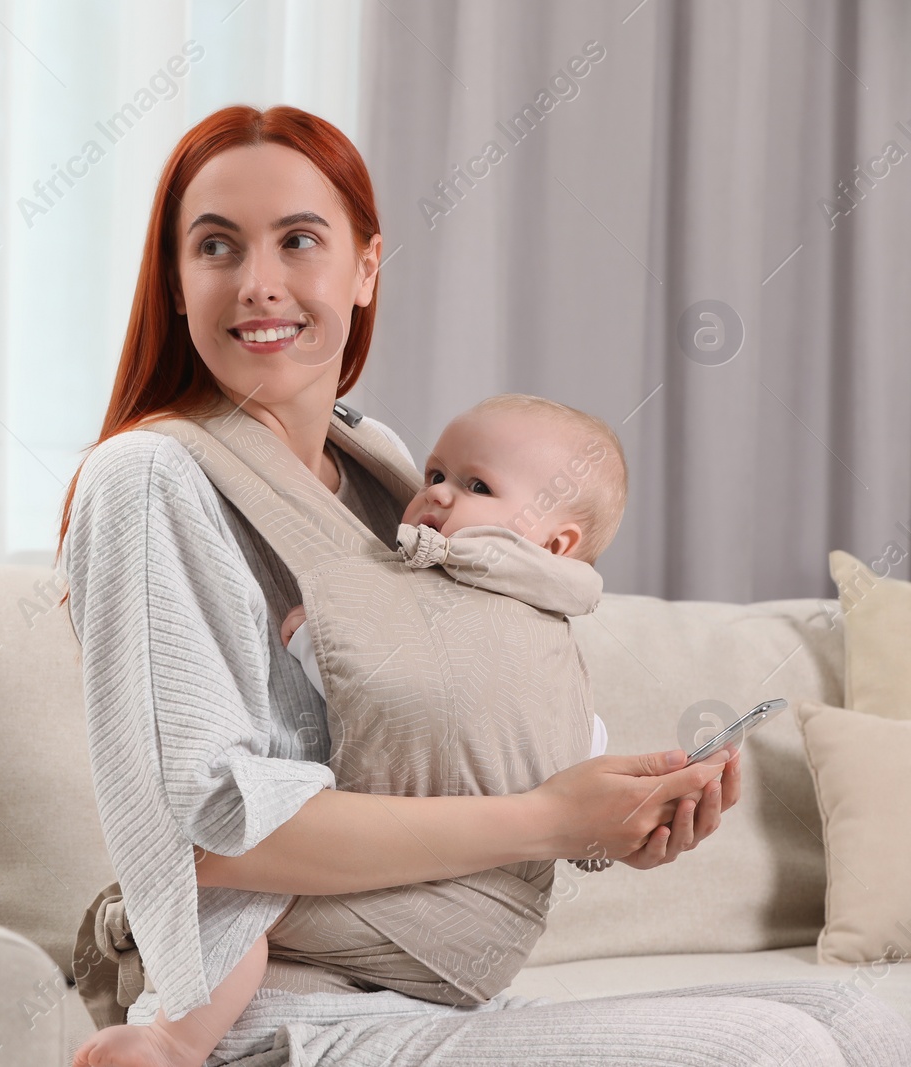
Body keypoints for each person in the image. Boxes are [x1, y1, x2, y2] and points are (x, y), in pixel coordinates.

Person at [56, 103, 911, 1067]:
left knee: (866, 1023)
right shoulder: (150, 481)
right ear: (177, 282)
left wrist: (605, 825)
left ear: (366, 267)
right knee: (767, 1052)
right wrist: (546, 817)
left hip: (428, 996)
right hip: (280, 1009)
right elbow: (203, 837)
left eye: (300, 240)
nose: (259, 284)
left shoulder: (384, 473)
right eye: (216, 247)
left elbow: (429, 745)